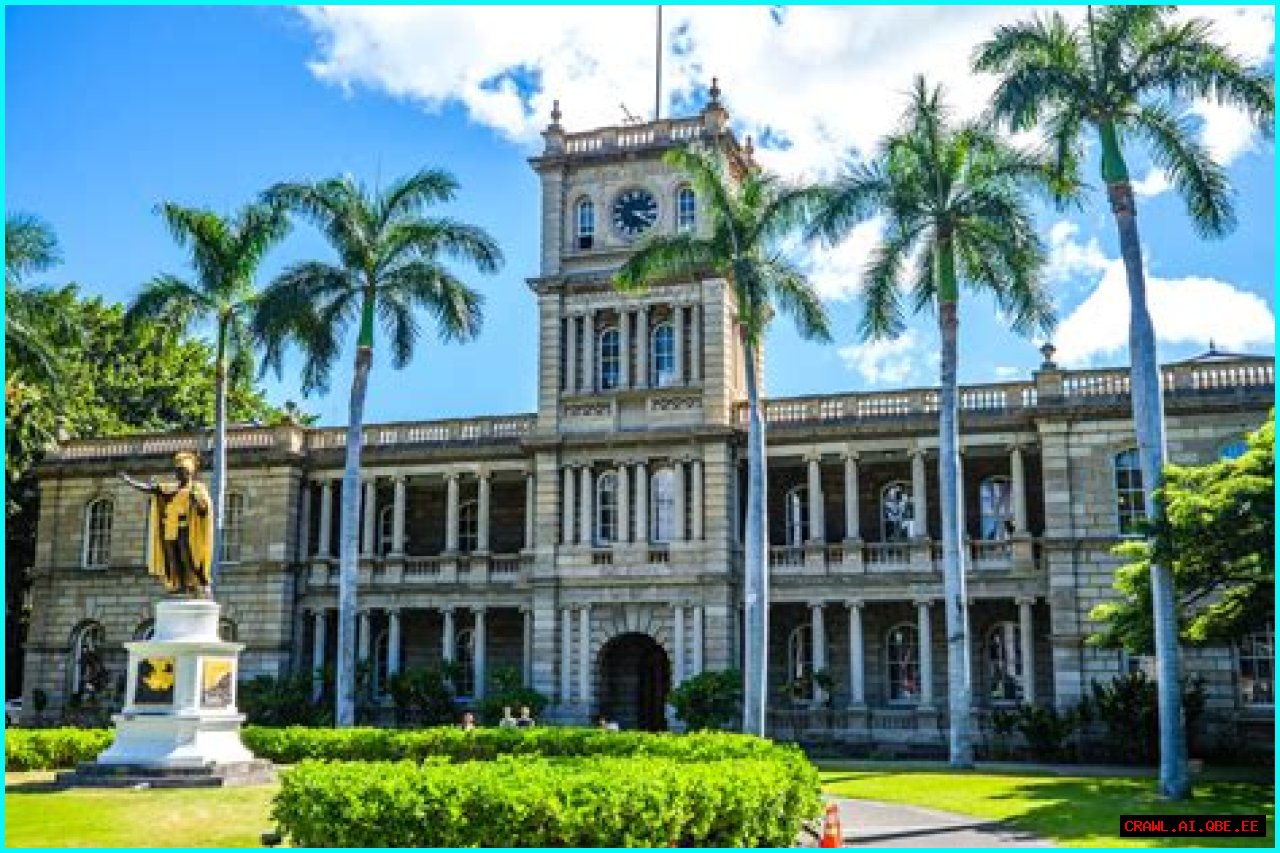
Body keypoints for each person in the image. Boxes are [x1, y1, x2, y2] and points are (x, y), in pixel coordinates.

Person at [118, 451, 213, 597]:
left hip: (186, 528)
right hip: (170, 528)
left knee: (187, 556)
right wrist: (129, 481)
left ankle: (193, 584)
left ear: (189, 473)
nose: (179, 475)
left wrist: (196, 500)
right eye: (177, 471)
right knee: (172, 558)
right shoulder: (170, 488)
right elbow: (150, 488)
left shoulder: (197, 488)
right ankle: (179, 584)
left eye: (182, 471)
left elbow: (204, 509)